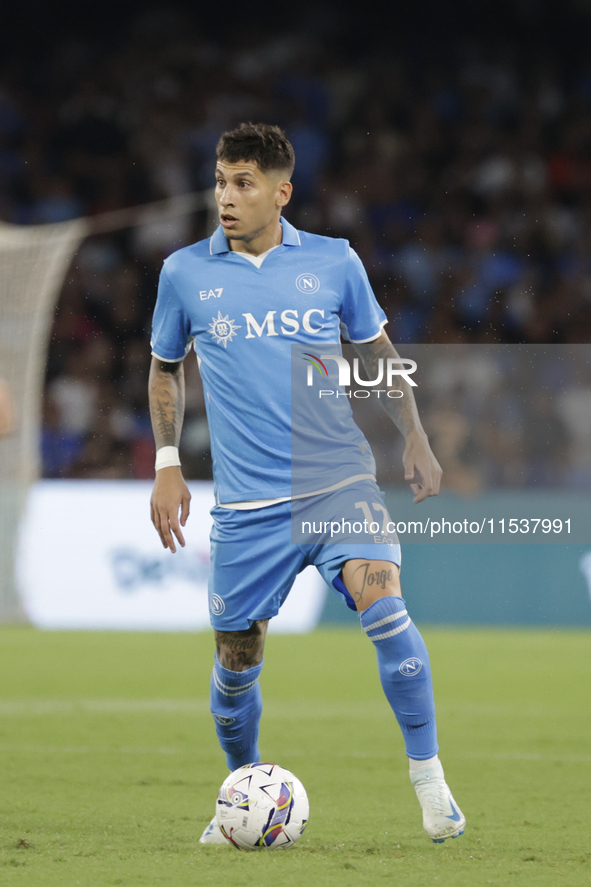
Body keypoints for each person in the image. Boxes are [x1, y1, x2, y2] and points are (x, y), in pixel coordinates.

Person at [148, 123, 465, 845]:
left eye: (243, 183)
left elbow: (376, 351)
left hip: (336, 480)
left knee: (382, 596)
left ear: (281, 193)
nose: (225, 196)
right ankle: (243, 793)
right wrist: (167, 463)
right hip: (249, 505)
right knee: (236, 663)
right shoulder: (184, 272)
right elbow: (164, 366)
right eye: (221, 180)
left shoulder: (333, 261)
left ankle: (431, 785)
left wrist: (412, 433)